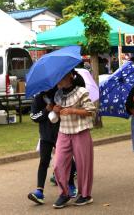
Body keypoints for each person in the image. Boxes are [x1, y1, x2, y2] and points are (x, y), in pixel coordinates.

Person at [51, 70, 96, 209]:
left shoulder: (81, 92)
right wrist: (55, 111)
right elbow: (56, 118)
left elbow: (91, 111)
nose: (59, 79)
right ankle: (64, 194)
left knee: (84, 165)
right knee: (58, 163)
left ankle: (85, 194)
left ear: (70, 75)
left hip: (80, 131)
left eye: (62, 76)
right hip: (63, 132)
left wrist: (72, 110)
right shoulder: (58, 95)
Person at [27, 87, 77, 205]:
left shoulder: (59, 95)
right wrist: (46, 110)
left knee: (66, 160)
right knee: (43, 161)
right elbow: (34, 117)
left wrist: (59, 110)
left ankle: (70, 184)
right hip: (45, 136)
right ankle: (39, 191)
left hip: (62, 133)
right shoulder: (38, 98)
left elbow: (69, 110)